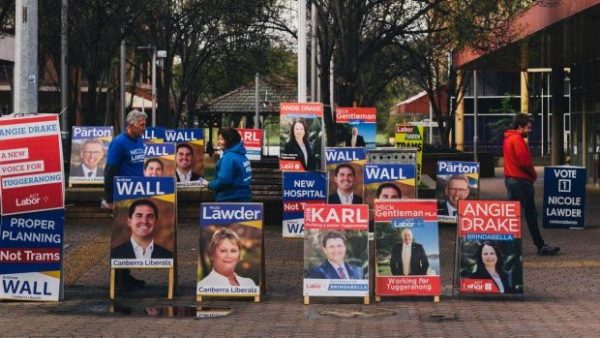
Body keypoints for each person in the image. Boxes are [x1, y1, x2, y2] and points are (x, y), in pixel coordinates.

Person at [503, 114, 560, 256]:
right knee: (530, 215)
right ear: (520, 126)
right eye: (528, 127)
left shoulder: (508, 138)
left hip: (511, 180)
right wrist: (533, 175)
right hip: (521, 182)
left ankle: (510, 246)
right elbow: (524, 162)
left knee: (514, 215)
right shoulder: (517, 140)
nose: (530, 130)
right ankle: (540, 245)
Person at [103, 109, 148, 290]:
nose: (144, 128)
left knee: (131, 236)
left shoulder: (138, 140)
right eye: (142, 125)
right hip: (122, 196)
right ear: (131, 125)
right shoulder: (119, 143)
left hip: (136, 194)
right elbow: (110, 170)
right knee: (121, 237)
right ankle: (119, 279)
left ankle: (126, 275)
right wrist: (109, 198)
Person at [208, 128, 252, 202]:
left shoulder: (228, 157)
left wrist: (210, 184)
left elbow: (224, 181)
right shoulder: (243, 156)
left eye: (221, 139)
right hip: (245, 198)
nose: (218, 142)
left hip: (229, 200)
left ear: (229, 140)